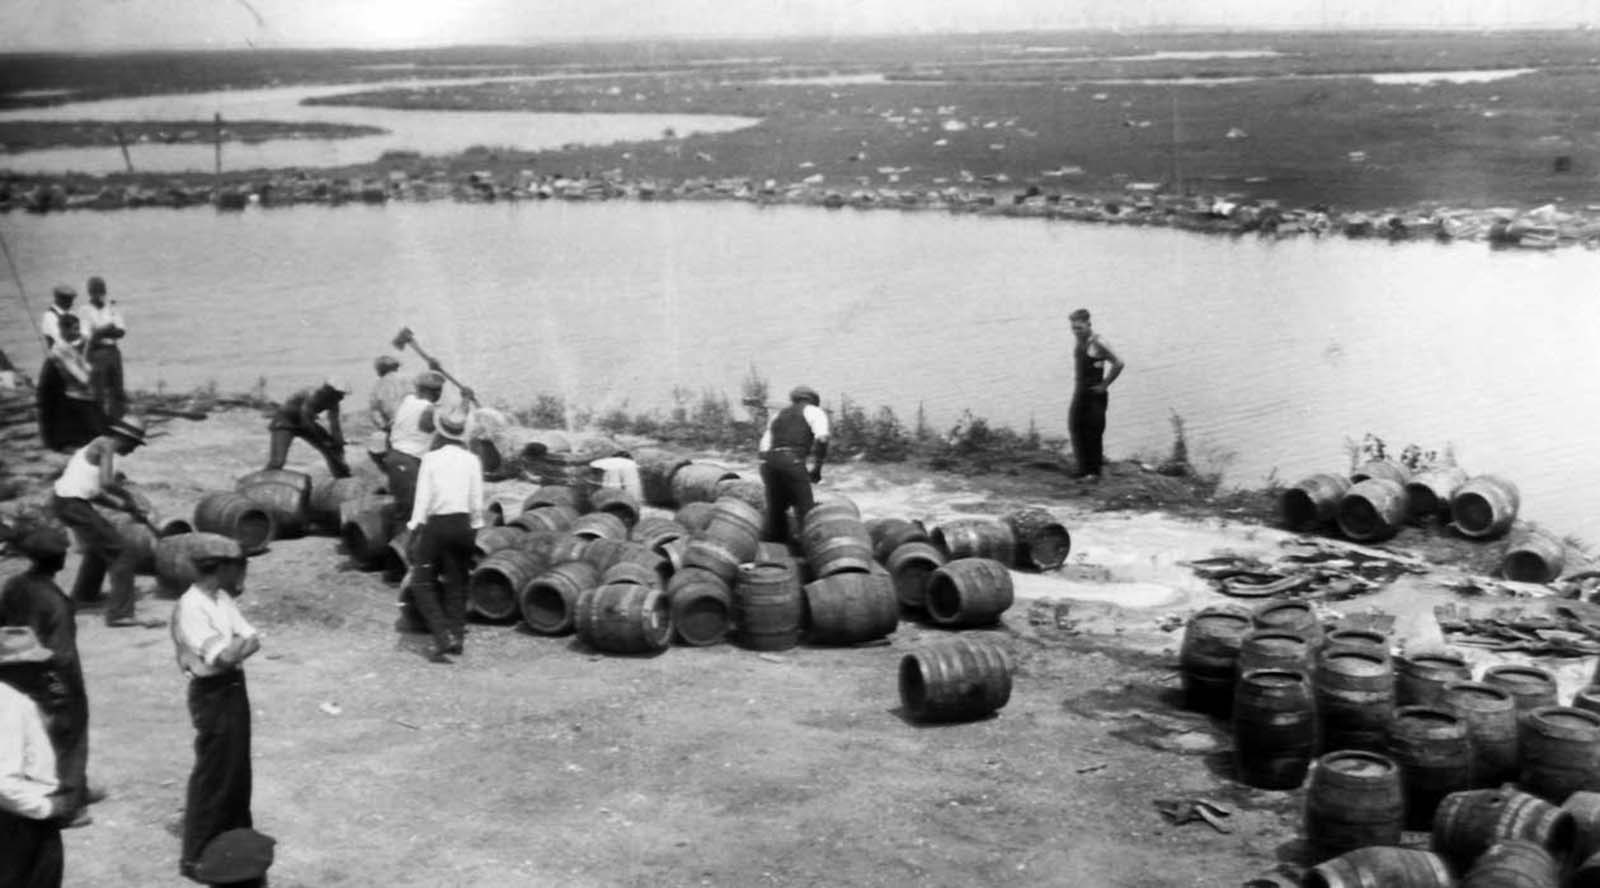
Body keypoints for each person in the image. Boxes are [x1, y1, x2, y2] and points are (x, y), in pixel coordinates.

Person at [169, 537, 258, 883]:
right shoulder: (191, 607)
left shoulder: (220, 599)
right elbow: (225, 655)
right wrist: (237, 648)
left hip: (233, 686)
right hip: (212, 693)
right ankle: (195, 853)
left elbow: (252, 639)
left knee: (236, 768)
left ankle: (234, 839)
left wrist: (236, 649)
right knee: (214, 772)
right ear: (217, 569)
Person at [0, 525, 93, 826]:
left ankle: (41, 788)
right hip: (51, 672)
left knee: (30, 733)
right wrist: (66, 688)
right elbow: (63, 653)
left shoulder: (15, 585)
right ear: (57, 560)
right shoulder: (55, 602)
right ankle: (68, 802)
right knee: (70, 734)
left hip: (15, 667)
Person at [49, 414, 157, 627]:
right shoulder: (105, 445)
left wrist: (123, 507)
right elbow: (107, 483)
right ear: (124, 437)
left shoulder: (102, 448)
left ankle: (84, 596)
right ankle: (120, 614)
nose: (133, 450)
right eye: (134, 444)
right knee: (122, 553)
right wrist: (127, 497)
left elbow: (94, 491)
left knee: (100, 546)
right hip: (71, 504)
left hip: (69, 502)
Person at [0, 626, 78, 888]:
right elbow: (4, 784)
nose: (42, 672)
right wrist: (47, 808)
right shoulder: (12, 705)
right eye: (31, 665)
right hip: (21, 823)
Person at [405, 407, 483, 663]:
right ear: (462, 433)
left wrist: (414, 529)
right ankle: (457, 637)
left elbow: (423, 499)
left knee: (421, 582)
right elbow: (476, 501)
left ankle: (442, 635)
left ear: (441, 430)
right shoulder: (472, 460)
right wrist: (475, 528)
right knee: (457, 582)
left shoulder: (431, 459)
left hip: (437, 524)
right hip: (463, 524)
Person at [757, 385, 830, 542]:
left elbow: (763, 447)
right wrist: (817, 469)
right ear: (813, 400)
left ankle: (774, 549)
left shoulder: (779, 415)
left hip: (769, 463)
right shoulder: (814, 411)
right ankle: (810, 550)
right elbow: (822, 439)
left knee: (776, 511)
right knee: (806, 510)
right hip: (792, 460)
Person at [1067, 308, 1125, 482]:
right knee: (1076, 426)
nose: (1076, 331)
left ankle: (1094, 473)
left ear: (1089, 324)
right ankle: (1083, 469)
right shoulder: (1080, 342)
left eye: (1080, 327)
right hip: (1080, 391)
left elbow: (1119, 363)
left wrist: (1105, 384)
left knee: (1093, 431)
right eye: (1074, 328)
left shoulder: (1098, 342)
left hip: (1095, 394)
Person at [384, 370, 445, 522]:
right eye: (436, 390)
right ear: (424, 390)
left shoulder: (407, 400)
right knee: (413, 510)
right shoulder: (430, 410)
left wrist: (432, 369)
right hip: (407, 462)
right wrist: (465, 400)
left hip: (394, 457)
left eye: (439, 390)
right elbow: (452, 426)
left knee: (406, 506)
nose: (439, 393)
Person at [37, 313, 102, 452]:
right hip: (72, 398)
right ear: (63, 330)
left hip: (83, 395)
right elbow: (82, 377)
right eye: (74, 329)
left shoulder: (74, 347)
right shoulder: (59, 353)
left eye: (78, 328)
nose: (77, 332)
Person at [265, 378, 351, 478]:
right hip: (286, 420)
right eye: (339, 395)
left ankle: (342, 475)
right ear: (328, 391)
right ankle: (265, 480)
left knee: (333, 447)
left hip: (305, 421)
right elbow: (306, 420)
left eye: (342, 395)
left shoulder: (333, 403)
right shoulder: (312, 395)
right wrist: (322, 440)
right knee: (278, 461)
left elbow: (335, 426)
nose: (341, 398)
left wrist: (338, 444)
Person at [78, 276, 128, 422]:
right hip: (97, 353)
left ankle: (117, 420)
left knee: (117, 389)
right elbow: (88, 336)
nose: (99, 295)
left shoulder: (112, 308)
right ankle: (98, 423)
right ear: (90, 293)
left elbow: (121, 332)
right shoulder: (84, 310)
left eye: (101, 291)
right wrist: (106, 329)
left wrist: (101, 331)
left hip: (113, 350)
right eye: (95, 292)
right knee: (98, 391)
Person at [365, 355, 410, 470]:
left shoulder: (377, 386)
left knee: (394, 454)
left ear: (380, 370)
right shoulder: (408, 379)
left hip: (394, 426)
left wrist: (384, 426)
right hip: (413, 421)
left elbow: (375, 412)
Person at [38, 284, 76, 349]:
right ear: (59, 299)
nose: (71, 304)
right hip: (59, 353)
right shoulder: (50, 316)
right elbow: (59, 339)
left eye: (71, 300)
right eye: (67, 300)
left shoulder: (71, 313)